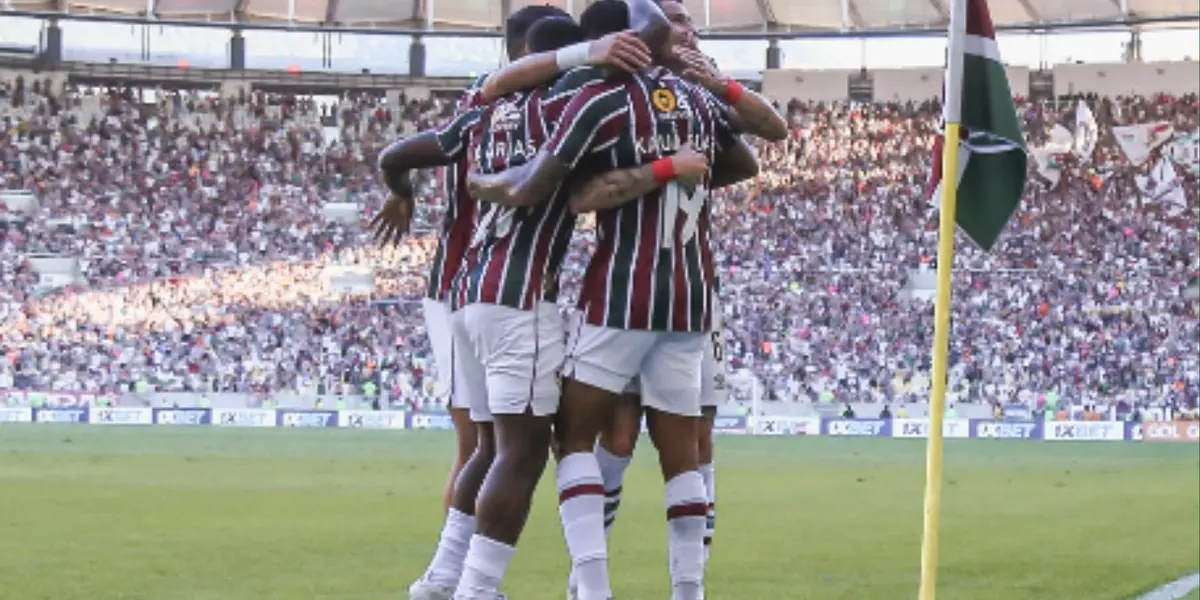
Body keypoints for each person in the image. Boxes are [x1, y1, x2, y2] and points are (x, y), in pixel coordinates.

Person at [466, 2, 758, 598]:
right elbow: (758, 144)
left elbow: (559, 191)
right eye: (675, 21)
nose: (687, 29)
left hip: (620, 294)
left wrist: (484, 184)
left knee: (577, 437)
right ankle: (687, 592)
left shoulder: (596, 102)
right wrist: (683, 158)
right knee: (684, 452)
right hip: (692, 298)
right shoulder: (701, 101)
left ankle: (588, 588)